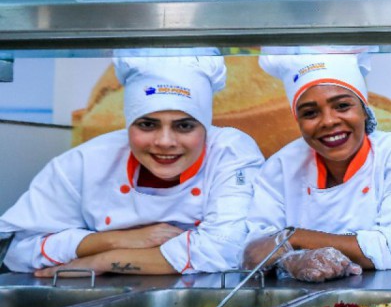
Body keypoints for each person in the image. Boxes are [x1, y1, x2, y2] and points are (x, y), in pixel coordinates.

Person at [0, 53, 262, 276]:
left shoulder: (230, 150)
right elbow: (16, 250)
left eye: (184, 125)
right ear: (128, 125)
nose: (165, 142)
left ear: (205, 126)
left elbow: (229, 248)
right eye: (147, 124)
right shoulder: (86, 162)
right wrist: (115, 239)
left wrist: (102, 260)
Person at [245, 50, 391, 282]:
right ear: (298, 121)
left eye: (342, 106)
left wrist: (293, 238)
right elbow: (253, 252)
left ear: (364, 109)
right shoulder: (282, 166)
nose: (329, 121)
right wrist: (290, 261)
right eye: (310, 113)